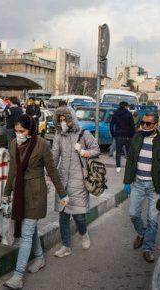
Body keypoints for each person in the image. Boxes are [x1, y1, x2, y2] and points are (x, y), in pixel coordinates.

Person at [3, 115, 66, 289]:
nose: (18, 134)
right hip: (20, 194)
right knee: (31, 229)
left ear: (30, 129)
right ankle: (39, 258)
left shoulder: (42, 144)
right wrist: (6, 193)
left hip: (36, 194)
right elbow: (12, 171)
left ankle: (17, 276)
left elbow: (52, 171)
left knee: (26, 233)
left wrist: (62, 193)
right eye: (16, 131)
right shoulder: (14, 144)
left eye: (21, 131)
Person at [123, 112, 160, 263]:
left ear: (156, 125)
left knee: (153, 219)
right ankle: (142, 233)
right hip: (138, 183)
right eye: (142, 123)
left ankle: (148, 248)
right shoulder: (137, 137)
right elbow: (131, 161)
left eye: (148, 124)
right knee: (133, 214)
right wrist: (127, 181)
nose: (144, 126)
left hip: (155, 187)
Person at [52, 108, 100, 259]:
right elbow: (53, 157)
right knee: (63, 216)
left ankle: (84, 233)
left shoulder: (84, 134)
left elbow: (96, 149)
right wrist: (48, 176)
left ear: (71, 118)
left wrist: (84, 152)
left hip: (79, 180)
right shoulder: (58, 136)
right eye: (59, 120)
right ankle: (66, 246)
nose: (62, 122)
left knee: (79, 215)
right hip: (63, 181)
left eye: (65, 119)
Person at [110, 101, 136, 173]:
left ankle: (118, 167)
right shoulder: (129, 114)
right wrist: (132, 135)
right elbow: (132, 126)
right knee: (128, 153)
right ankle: (129, 167)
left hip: (118, 136)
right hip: (128, 137)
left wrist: (113, 134)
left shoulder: (116, 113)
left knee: (118, 152)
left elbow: (111, 125)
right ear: (126, 106)